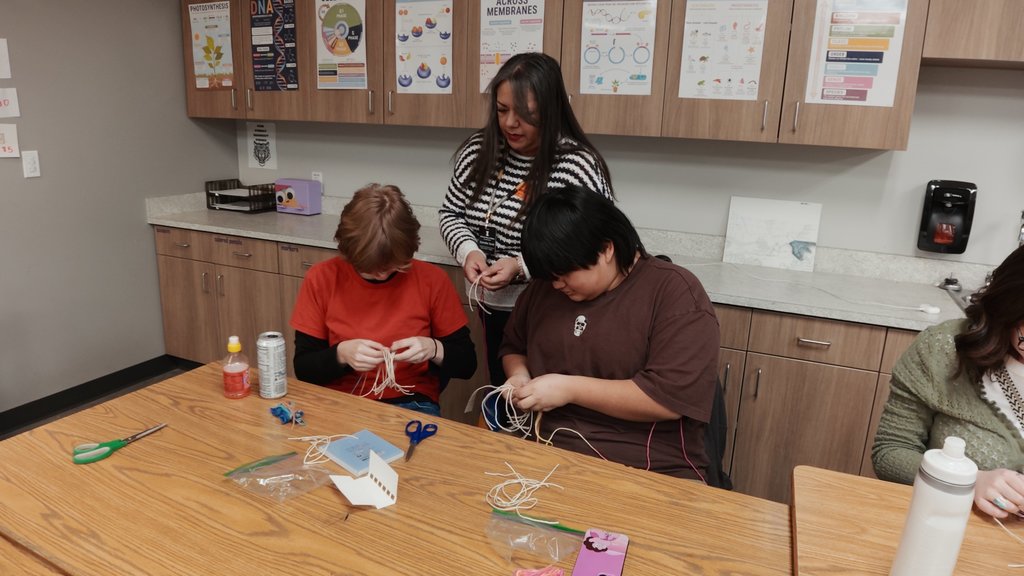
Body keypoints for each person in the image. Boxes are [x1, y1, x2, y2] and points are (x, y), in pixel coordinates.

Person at [438, 52, 613, 429]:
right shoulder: (477, 152)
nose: (510, 123)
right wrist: (468, 250)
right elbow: (450, 214)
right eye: (501, 110)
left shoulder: (576, 165)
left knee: (551, 410)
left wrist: (522, 265)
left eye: (526, 114)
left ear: (550, 111)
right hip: (493, 307)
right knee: (507, 396)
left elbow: (596, 246)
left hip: (556, 309)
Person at [500, 186, 720, 481]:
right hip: (544, 451)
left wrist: (568, 389)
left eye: (565, 274)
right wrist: (518, 376)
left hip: (647, 466)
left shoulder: (675, 293)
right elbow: (514, 347)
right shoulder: (544, 289)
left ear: (606, 249)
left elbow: (666, 400)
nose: (556, 285)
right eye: (549, 276)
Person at [290, 183, 476, 416]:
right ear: (349, 253)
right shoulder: (322, 278)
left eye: (390, 267)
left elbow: (468, 363)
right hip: (340, 401)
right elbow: (303, 369)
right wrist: (341, 354)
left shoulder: (431, 280)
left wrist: (433, 348)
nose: (380, 275)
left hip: (412, 402)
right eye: (369, 269)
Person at [873, 244, 1024, 518]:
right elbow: (890, 452)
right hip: (948, 528)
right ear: (1008, 310)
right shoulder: (943, 350)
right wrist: (967, 481)